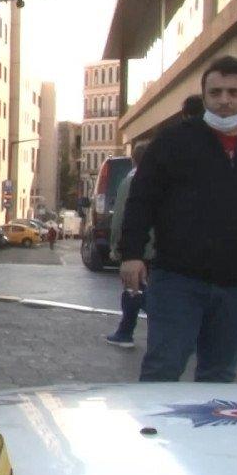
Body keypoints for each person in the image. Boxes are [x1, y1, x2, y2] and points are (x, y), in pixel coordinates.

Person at [120, 56, 237, 382]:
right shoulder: (173, 141)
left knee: (219, 375)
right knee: (162, 369)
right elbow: (141, 200)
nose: (224, 100)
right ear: (204, 94)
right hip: (178, 281)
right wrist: (131, 254)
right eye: (216, 92)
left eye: (234, 92)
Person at [104, 141, 152, 348]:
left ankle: (125, 333)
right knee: (143, 289)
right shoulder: (166, 180)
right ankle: (126, 331)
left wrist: (116, 246)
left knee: (133, 289)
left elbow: (120, 218)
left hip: (137, 248)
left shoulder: (130, 181)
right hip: (160, 248)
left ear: (134, 160)